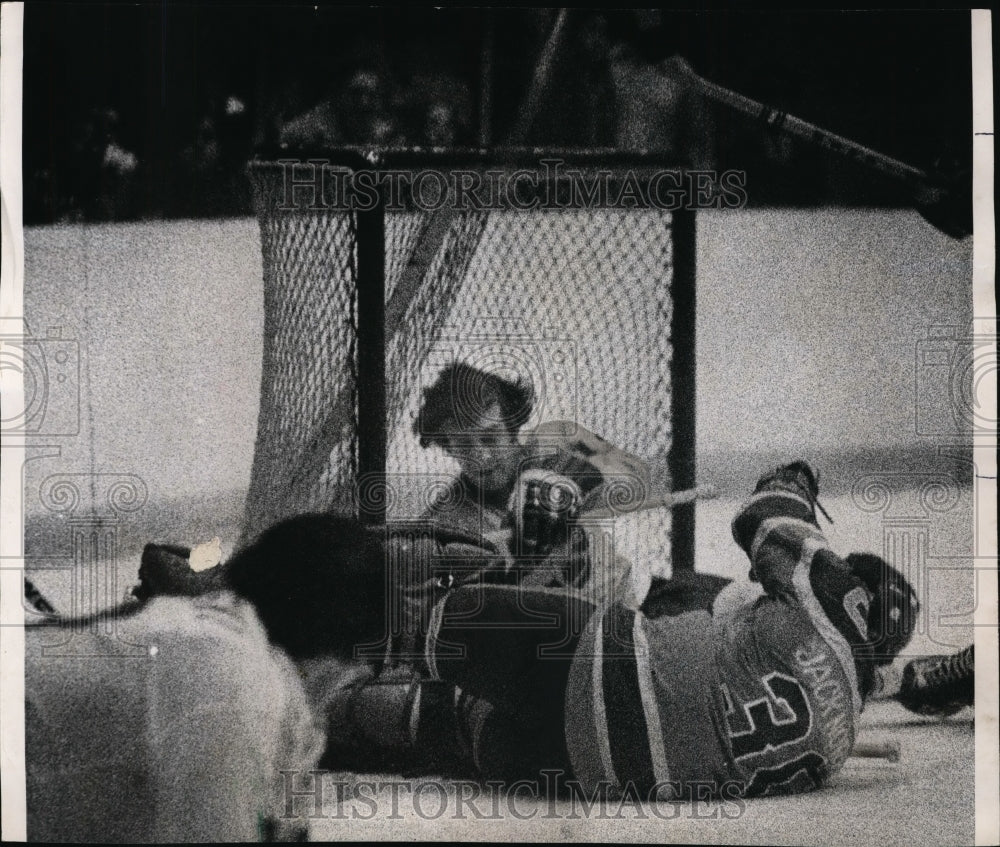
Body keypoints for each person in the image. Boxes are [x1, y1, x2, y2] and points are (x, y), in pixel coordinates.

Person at [324, 460, 921, 798]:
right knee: (452, 721)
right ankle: (321, 724)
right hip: (583, 771)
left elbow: (763, 515)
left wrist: (795, 482)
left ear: (858, 599)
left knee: (438, 617)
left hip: (601, 665)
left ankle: (309, 636)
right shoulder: (838, 743)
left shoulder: (831, 610)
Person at [24, 513, 384, 842]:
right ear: (328, 638)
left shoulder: (221, 637)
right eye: (355, 659)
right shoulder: (235, 678)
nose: (361, 674)